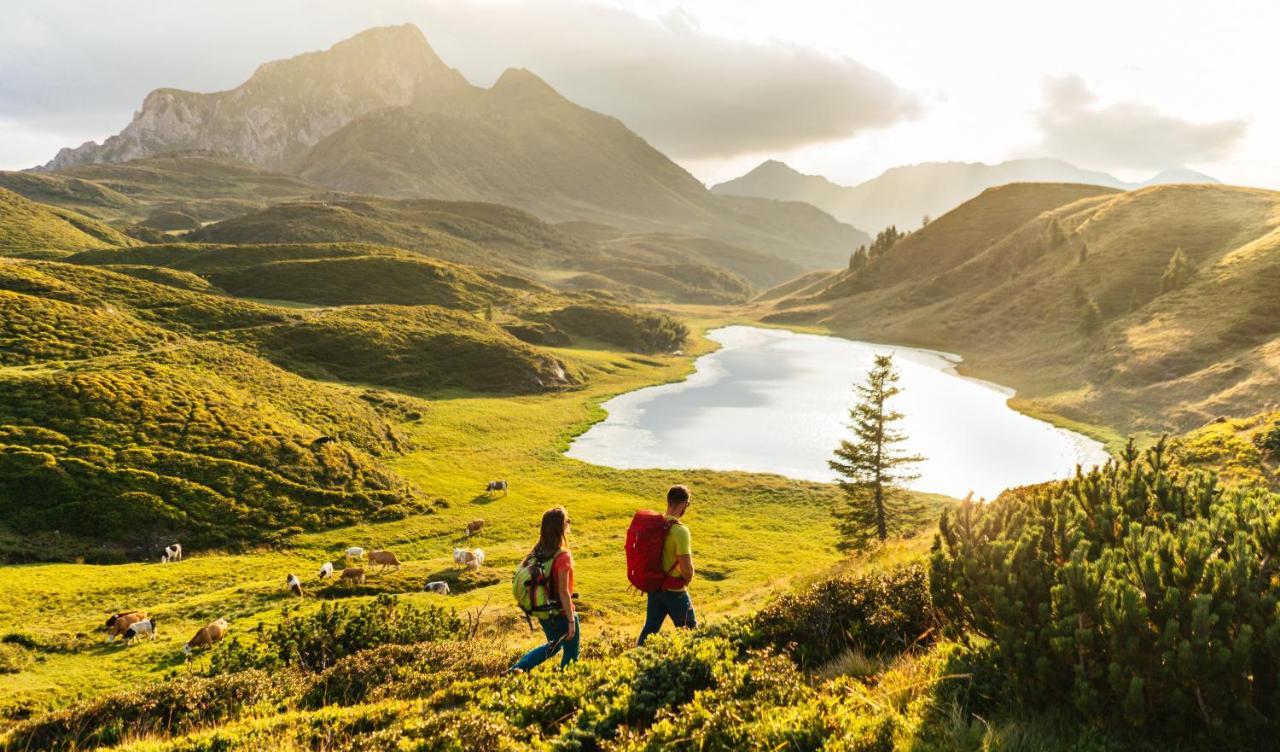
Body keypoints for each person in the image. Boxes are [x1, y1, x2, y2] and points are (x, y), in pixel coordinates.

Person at [510, 506, 579, 672]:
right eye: (566, 522)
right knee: (571, 655)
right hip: (561, 613)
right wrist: (571, 621)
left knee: (553, 646)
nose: (568, 524)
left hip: (544, 612)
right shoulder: (562, 557)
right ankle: (566, 688)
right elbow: (564, 592)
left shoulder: (537, 550)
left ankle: (517, 669)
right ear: (560, 528)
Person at [637, 485, 696, 645]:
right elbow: (687, 571)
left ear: (668, 501)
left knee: (649, 631)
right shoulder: (680, 531)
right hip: (674, 591)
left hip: (655, 588)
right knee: (691, 632)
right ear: (683, 504)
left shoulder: (656, 525)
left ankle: (634, 661)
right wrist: (688, 576)